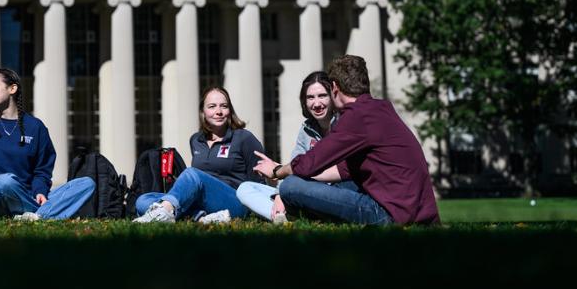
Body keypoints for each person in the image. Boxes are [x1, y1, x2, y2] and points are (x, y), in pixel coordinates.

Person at [253, 55, 440, 225]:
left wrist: (278, 171)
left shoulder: (357, 116)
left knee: (291, 187)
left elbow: (311, 162)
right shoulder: (380, 108)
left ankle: (297, 214)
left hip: (390, 213)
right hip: (415, 210)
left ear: (334, 87)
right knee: (301, 183)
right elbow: (343, 170)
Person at [0, 68, 95, 220]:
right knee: (3, 182)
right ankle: (44, 214)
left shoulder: (35, 127)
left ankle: (34, 215)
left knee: (86, 184)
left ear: (12, 88)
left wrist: (39, 192)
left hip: (28, 197)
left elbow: (42, 170)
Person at [236, 71, 356, 222]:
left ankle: (292, 216)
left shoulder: (345, 123)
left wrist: (281, 173)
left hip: (337, 190)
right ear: (304, 101)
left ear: (332, 96)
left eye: (322, 95)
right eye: (310, 97)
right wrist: (280, 193)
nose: (316, 103)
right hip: (307, 188)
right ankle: (288, 216)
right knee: (245, 188)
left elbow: (340, 172)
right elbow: (296, 162)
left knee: (292, 185)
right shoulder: (306, 129)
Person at [133, 86, 265, 224]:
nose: (218, 111)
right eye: (212, 106)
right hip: (203, 200)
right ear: (203, 111)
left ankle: (166, 212)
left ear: (230, 110)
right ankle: (201, 217)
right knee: (143, 200)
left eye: (224, 106)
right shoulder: (196, 140)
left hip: (235, 201)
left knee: (192, 174)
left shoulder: (244, 138)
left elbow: (258, 182)